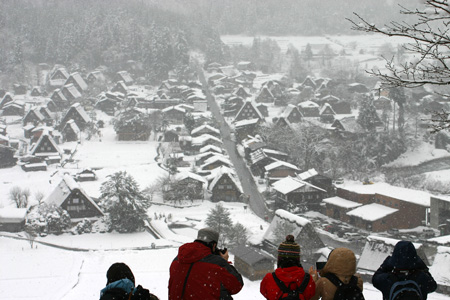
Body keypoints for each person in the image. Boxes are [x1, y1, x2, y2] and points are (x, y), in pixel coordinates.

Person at [168, 227, 244, 299]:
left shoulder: (177, 260)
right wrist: (225, 262)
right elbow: (236, 286)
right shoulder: (217, 264)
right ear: (214, 245)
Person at [372, 241, 437, 300]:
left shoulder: (387, 279)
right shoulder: (422, 278)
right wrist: (420, 264)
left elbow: (375, 279)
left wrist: (388, 263)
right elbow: (433, 286)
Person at [260, 235, 315, 300]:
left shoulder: (269, 279)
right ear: (297, 258)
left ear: (280, 258)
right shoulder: (308, 280)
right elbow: (311, 294)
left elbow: (264, 292)